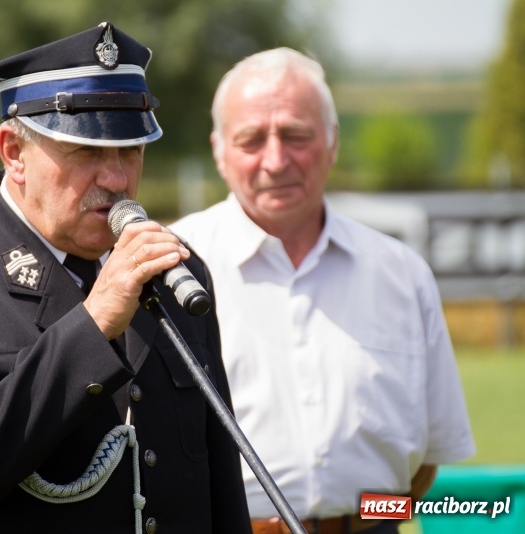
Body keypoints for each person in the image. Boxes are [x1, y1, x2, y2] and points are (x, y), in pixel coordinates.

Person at [0, 22, 251, 534]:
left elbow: (218, 482)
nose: (116, 178)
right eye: (87, 152)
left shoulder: (174, 269)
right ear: (13, 152)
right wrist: (92, 325)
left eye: (130, 150)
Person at [170, 48, 476, 534]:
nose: (275, 159)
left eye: (296, 135)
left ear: (333, 142)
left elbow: (424, 467)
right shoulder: (169, 268)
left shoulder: (401, 273)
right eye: (251, 139)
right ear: (219, 151)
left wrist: (361, 521)